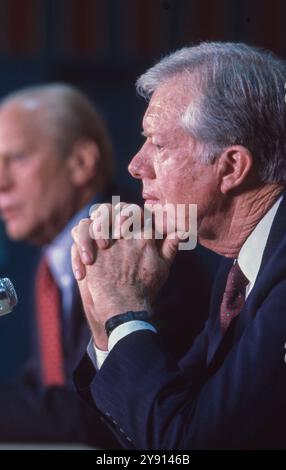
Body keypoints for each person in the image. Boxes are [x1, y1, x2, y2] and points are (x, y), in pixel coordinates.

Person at [71, 42, 286, 450]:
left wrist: (123, 312)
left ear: (231, 167)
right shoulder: (237, 272)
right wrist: (106, 319)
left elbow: (189, 446)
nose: (135, 165)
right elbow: (156, 424)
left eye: (158, 143)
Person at [0, 84, 211, 445]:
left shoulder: (139, 244)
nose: (1, 182)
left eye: (16, 159)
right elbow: (48, 384)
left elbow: (98, 408)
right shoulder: (53, 257)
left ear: (82, 162)